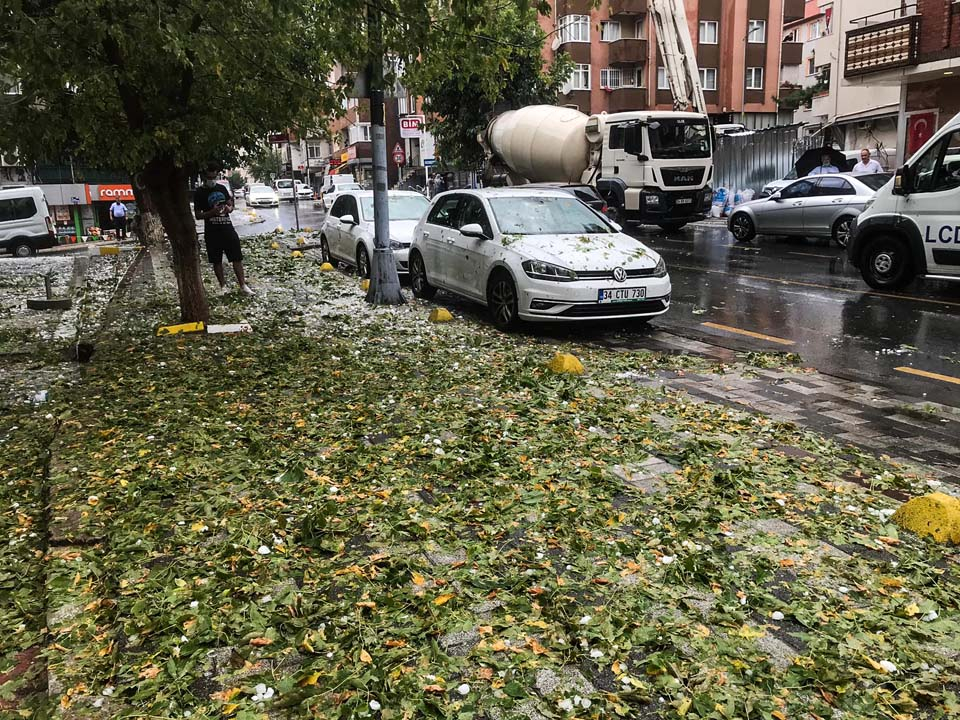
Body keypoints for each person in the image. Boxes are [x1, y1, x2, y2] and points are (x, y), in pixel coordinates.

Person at [194, 163, 254, 295]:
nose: (212, 180)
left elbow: (230, 204)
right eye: (210, 177)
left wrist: (229, 209)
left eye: (214, 176)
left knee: (236, 257)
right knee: (216, 260)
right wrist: (211, 212)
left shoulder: (221, 188)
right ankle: (223, 287)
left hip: (227, 228)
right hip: (212, 231)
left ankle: (243, 285)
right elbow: (198, 215)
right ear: (204, 177)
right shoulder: (199, 192)